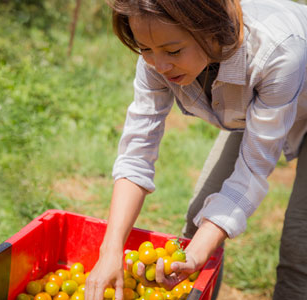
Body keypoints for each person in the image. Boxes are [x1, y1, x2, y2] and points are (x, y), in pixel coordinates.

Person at [84, 0, 307, 299]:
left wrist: (200, 251)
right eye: (145, 49)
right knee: (197, 225)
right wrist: (110, 249)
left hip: (291, 86)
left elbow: (252, 171)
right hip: (263, 109)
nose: (160, 66)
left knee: (299, 246)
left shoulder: (277, 49)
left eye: (173, 52)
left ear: (211, 31)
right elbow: (137, 151)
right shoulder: (157, 51)